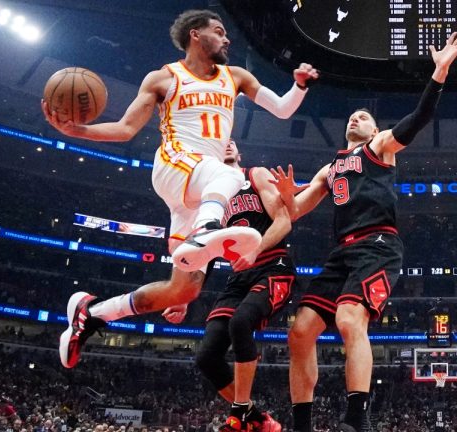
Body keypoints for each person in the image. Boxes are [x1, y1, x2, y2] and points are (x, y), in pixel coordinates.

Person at [42, 9, 318, 368]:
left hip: (200, 192)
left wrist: (298, 86)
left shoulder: (235, 77)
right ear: (195, 35)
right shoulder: (164, 78)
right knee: (234, 176)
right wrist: (78, 131)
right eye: (219, 31)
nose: (227, 38)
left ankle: (90, 315)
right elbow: (126, 128)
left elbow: (281, 110)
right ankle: (207, 233)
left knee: (183, 290)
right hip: (177, 165)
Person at [269, 32, 457, 432]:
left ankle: (357, 420)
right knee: (300, 331)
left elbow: (418, 120)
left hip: (377, 243)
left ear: (376, 127)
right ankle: (302, 425)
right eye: (352, 116)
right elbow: (296, 211)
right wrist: (288, 199)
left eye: (364, 116)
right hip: (341, 252)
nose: (355, 118)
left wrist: (440, 71)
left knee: (348, 319)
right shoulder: (330, 168)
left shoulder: (378, 147)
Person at [166, 140, 295, 431]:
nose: (225, 145)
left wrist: (255, 250)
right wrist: (185, 295)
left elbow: (284, 222)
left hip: (271, 265)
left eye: (231, 142)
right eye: (219, 144)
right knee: (207, 357)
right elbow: (204, 254)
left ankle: (238, 416)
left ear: (239, 154)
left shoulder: (255, 175)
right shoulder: (211, 201)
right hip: (238, 277)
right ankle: (256, 417)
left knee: (240, 323)